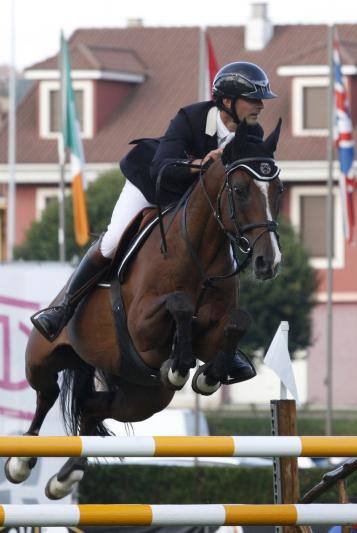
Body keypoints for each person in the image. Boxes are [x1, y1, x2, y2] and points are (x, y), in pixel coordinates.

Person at [31, 61, 277, 381]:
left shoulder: (253, 133)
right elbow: (163, 166)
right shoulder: (190, 118)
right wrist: (201, 164)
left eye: (261, 100)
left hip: (199, 205)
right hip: (153, 185)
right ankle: (63, 309)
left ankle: (223, 346)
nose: (260, 106)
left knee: (222, 252)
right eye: (253, 99)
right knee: (112, 239)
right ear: (227, 101)